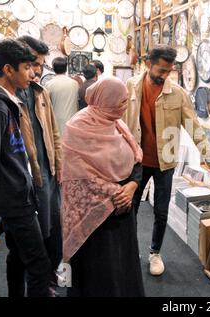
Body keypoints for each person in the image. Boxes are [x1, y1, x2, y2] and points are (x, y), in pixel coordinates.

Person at [123, 45, 210, 276]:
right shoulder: (130, 87)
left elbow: (195, 129)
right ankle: (129, 252)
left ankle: (155, 253)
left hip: (164, 162)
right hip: (135, 161)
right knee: (131, 209)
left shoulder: (177, 94)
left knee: (160, 212)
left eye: (168, 71)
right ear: (148, 64)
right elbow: (118, 124)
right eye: (161, 70)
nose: (164, 75)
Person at [61, 77, 145, 297]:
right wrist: (117, 193)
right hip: (94, 219)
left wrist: (132, 187)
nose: (125, 106)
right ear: (105, 100)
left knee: (123, 266)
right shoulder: (76, 128)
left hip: (122, 212)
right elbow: (77, 177)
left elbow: (136, 158)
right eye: (121, 102)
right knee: (99, 273)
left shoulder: (118, 124)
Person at [0, 38, 52, 297]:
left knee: (18, 257)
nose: (33, 73)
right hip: (15, 201)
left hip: (18, 194)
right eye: (27, 67)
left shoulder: (6, 102)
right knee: (39, 266)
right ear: (8, 70)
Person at [16, 36, 63, 292]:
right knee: (32, 242)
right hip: (26, 182)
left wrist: (60, 166)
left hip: (49, 177)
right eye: (32, 63)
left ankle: (47, 278)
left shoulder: (40, 92)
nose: (36, 70)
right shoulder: (8, 97)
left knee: (54, 233)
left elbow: (54, 133)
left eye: (40, 65)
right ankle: (39, 283)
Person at [45, 57, 79, 135]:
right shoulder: (74, 84)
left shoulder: (49, 84)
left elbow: (46, 105)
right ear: (66, 68)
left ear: (53, 68)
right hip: (72, 121)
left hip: (56, 122)